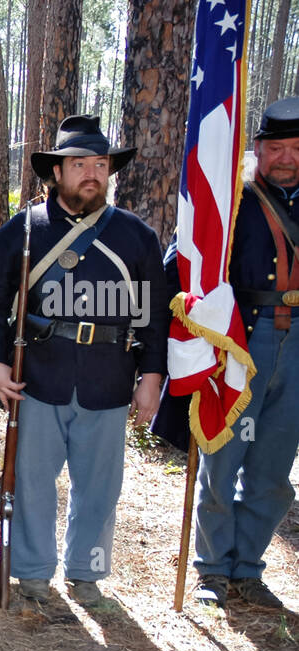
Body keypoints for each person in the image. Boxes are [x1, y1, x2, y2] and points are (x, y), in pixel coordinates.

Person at [0, 114, 168, 607]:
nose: (92, 172)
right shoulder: (21, 231)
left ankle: (86, 573)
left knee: (99, 488)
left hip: (109, 377)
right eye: (79, 163)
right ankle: (33, 570)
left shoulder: (136, 236)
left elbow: (153, 318)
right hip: (38, 374)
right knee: (34, 482)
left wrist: (151, 375)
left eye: (100, 163)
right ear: (57, 173)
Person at [168, 98, 299, 608]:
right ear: (258, 150)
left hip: (297, 348)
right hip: (242, 343)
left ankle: (248, 569)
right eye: (276, 148)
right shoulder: (228, 204)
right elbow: (183, 263)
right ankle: (212, 571)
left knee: (272, 467)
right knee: (223, 461)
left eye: (295, 148)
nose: (286, 158)